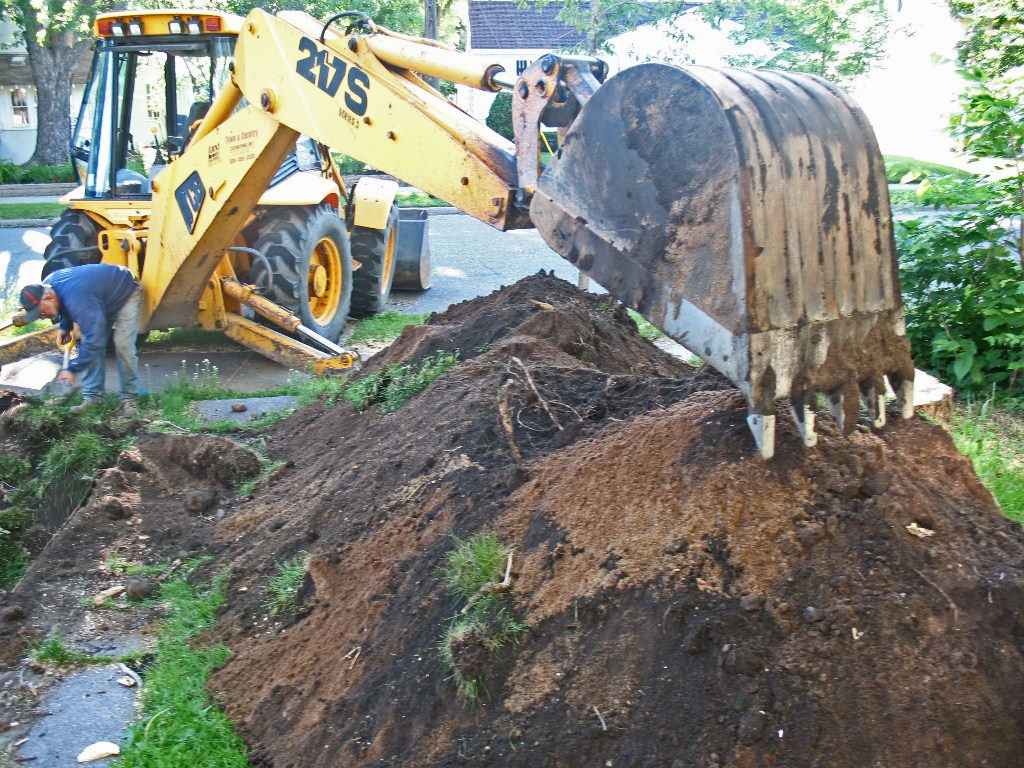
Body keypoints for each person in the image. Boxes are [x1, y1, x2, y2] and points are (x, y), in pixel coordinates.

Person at [19, 263, 144, 417]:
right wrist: (65, 325)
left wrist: (72, 368)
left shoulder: (78, 300)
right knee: (88, 343)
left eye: (41, 312)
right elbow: (63, 302)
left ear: (49, 297)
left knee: (122, 345)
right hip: (98, 298)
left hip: (125, 292)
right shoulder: (51, 284)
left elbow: (95, 341)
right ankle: (93, 398)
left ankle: (130, 398)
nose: (42, 317)